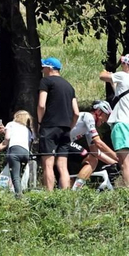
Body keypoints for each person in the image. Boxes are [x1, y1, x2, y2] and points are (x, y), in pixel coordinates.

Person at [96, 54, 129, 189]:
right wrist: (112, 81)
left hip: (122, 124)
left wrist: (108, 73)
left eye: (122, 64)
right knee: (125, 160)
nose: (121, 67)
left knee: (124, 162)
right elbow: (120, 94)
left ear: (126, 65)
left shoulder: (124, 76)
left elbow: (101, 76)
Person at [36, 57, 78, 191]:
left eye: (44, 68)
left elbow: (41, 105)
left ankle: (49, 195)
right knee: (62, 165)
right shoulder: (69, 86)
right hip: (65, 128)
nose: (42, 70)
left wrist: (40, 122)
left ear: (49, 68)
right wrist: (70, 127)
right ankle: (65, 196)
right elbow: (76, 112)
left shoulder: (46, 81)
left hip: (49, 126)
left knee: (48, 164)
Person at [71, 101, 119, 186]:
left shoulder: (88, 127)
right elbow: (98, 142)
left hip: (64, 143)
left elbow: (95, 152)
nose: (106, 120)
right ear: (98, 111)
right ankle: (76, 191)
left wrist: (114, 162)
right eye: (106, 116)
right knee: (92, 160)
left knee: (92, 158)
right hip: (62, 142)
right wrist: (118, 157)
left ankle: (73, 190)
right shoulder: (88, 117)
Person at [0, 110, 34, 195]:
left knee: (15, 177)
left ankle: (18, 196)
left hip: (14, 151)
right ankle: (23, 192)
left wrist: (4, 133)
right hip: (25, 153)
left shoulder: (11, 124)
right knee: (20, 176)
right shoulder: (28, 129)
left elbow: (8, 137)